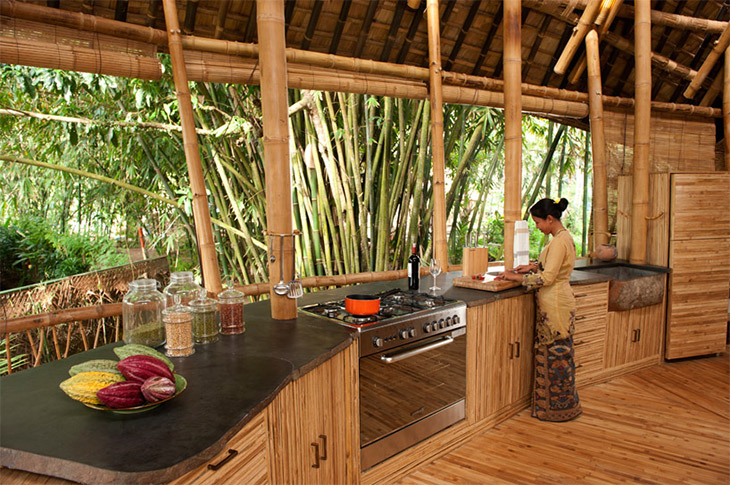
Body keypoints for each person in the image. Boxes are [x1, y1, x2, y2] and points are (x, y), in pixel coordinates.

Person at [497, 197, 582, 422]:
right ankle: (560, 406)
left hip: (555, 306)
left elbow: (547, 278)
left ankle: (554, 410)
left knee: (556, 356)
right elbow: (552, 266)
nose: (537, 227)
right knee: (558, 353)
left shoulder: (558, 242)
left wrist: (516, 277)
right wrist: (532, 266)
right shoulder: (562, 238)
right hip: (558, 303)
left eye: (538, 222)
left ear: (550, 219)